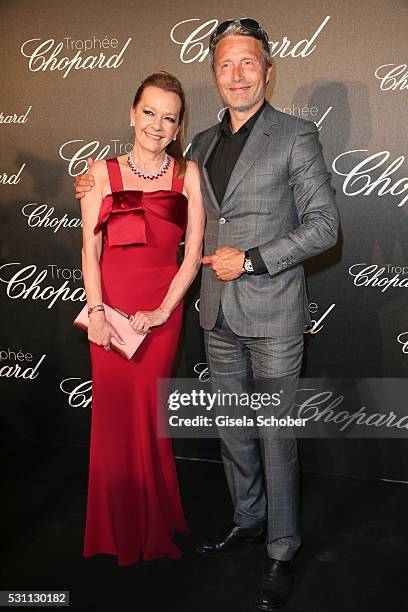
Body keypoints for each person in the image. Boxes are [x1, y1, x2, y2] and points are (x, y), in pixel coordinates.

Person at [75, 19, 338, 608]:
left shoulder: (297, 136)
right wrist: (95, 187)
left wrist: (252, 260)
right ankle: (248, 520)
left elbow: (325, 227)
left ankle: (281, 548)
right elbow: (155, 201)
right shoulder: (198, 148)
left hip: (271, 315)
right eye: (225, 65)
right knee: (234, 433)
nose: (236, 75)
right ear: (215, 75)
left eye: (248, 63)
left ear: (268, 72)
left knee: (274, 434)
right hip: (214, 317)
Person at [79, 70, 205, 566]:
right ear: (133, 114)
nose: (156, 125)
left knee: (150, 421)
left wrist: (161, 312)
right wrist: (96, 314)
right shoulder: (99, 173)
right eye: (149, 112)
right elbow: (90, 251)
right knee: (113, 421)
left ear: (178, 128)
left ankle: (155, 521)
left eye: (168, 118)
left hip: (160, 314)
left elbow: (191, 255)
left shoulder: (187, 175)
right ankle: (114, 528)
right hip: (107, 313)